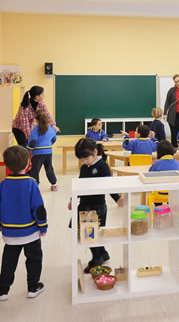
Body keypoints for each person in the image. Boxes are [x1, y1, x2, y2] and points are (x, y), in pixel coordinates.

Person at [0, 146, 47, 301]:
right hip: (31, 233)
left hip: (10, 234)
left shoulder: (2, 185)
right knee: (34, 260)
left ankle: (3, 290)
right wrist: (43, 226)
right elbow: (38, 208)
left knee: (8, 263)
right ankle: (33, 287)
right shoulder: (31, 183)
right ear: (28, 163)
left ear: (7, 165)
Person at [68, 138, 124, 272]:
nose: (84, 162)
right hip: (85, 205)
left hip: (97, 206)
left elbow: (109, 184)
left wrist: (117, 199)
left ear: (94, 152)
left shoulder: (102, 166)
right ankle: (102, 253)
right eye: (81, 160)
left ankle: (97, 258)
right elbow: (80, 184)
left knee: (90, 235)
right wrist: (73, 199)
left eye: (86, 159)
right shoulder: (84, 167)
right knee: (87, 232)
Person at [27, 110, 58, 191]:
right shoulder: (51, 129)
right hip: (48, 152)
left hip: (37, 153)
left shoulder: (36, 129)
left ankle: (35, 185)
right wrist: (48, 145)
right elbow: (54, 139)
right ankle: (54, 184)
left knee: (35, 170)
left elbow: (32, 142)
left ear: (37, 120)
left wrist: (27, 151)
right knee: (49, 168)